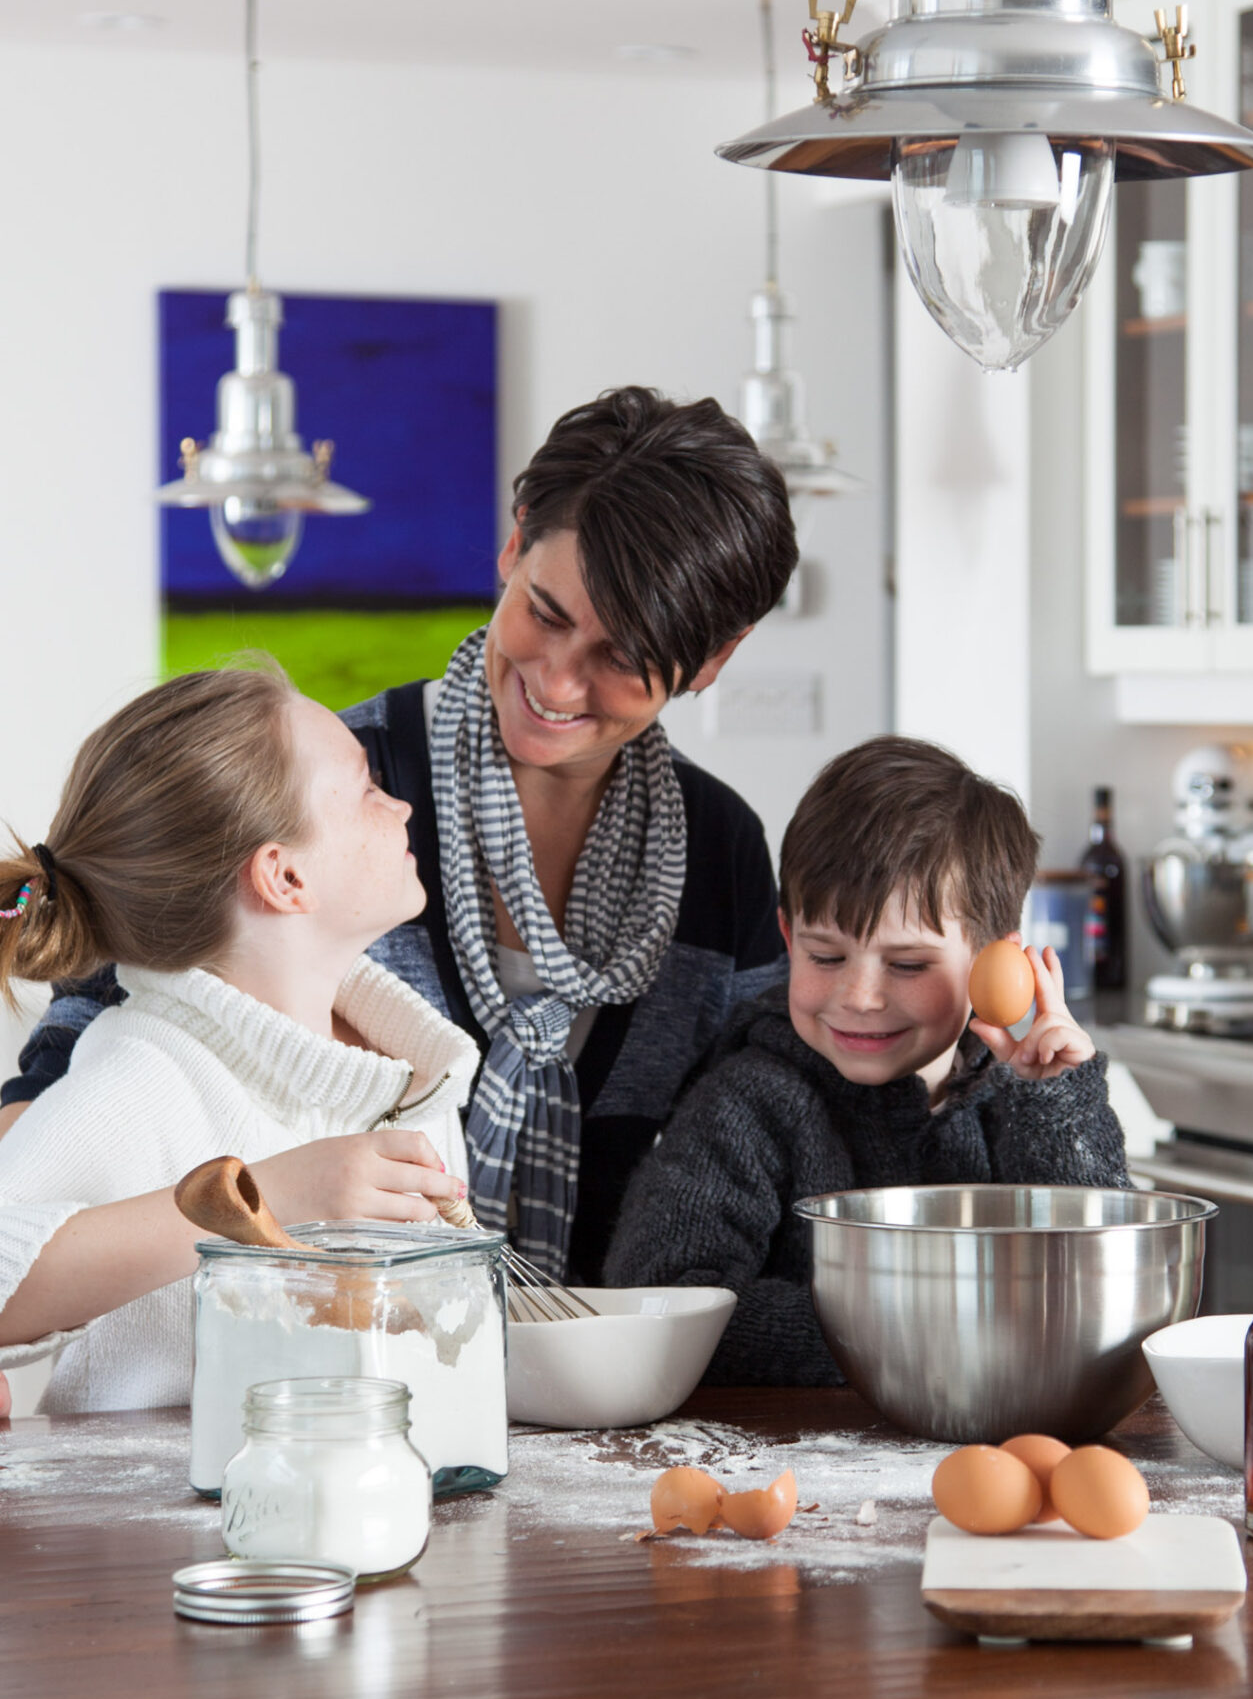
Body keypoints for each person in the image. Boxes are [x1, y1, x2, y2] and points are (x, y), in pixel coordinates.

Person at [4, 386, 799, 1287]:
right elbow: (72, 1078)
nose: (561, 683)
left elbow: (769, 1111)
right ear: (515, 540)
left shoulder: (720, 849)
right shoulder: (323, 803)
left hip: (603, 1371)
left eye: (621, 658)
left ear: (712, 660)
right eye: (546, 612)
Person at [0, 665, 475, 1412]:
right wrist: (278, 1191)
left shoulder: (415, 1082)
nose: (403, 804)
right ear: (284, 878)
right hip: (157, 1528)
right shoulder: (141, 1077)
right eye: (365, 791)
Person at [604, 737, 1130, 1384]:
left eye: (907, 964)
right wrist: (908, 1332)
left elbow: (1102, 1283)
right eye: (825, 956)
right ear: (789, 938)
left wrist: (1057, 1100)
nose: (857, 997)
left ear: (997, 961)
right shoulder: (750, 1101)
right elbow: (662, 1298)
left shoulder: (1021, 1097)